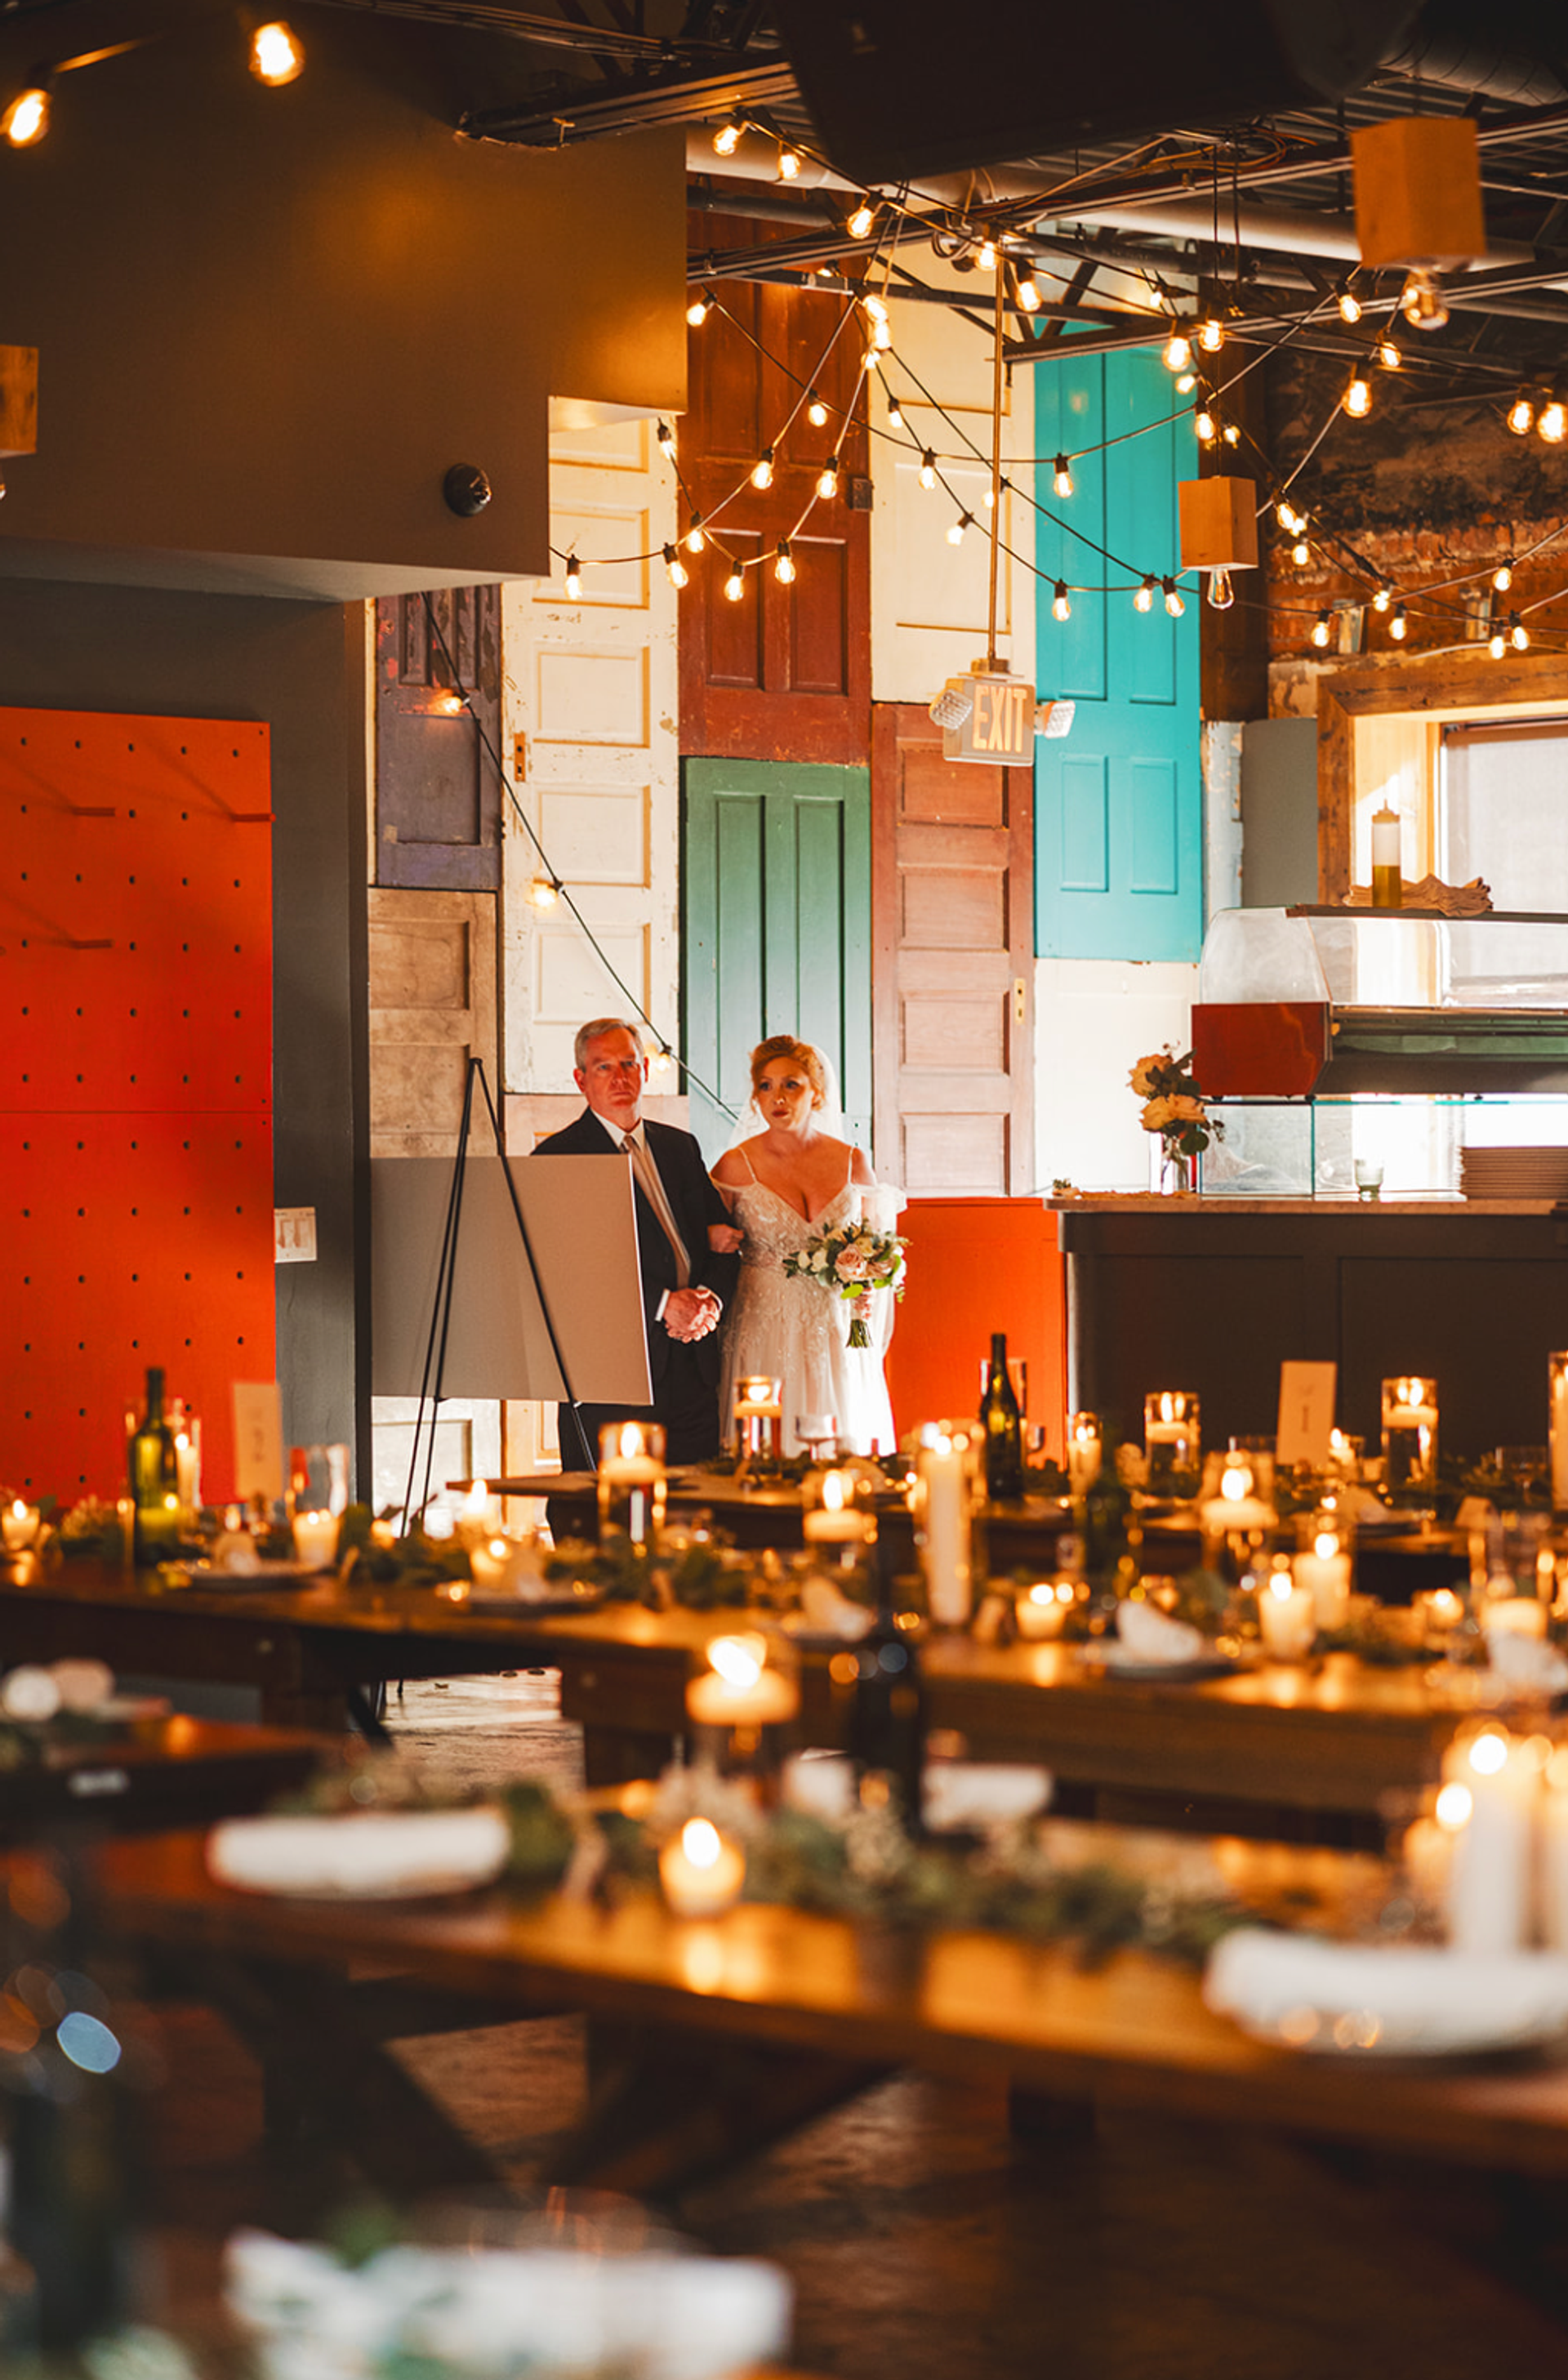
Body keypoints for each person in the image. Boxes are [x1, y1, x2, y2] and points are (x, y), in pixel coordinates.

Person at [534, 1018, 739, 1468]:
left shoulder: (681, 1147)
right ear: (581, 1080)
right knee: (609, 1504)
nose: (620, 1078)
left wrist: (709, 1302)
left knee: (696, 1498)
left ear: (645, 1070)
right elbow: (566, 1274)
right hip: (612, 1376)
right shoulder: (557, 1157)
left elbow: (727, 1245)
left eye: (629, 1064)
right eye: (604, 1067)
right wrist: (663, 1304)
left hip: (693, 1365)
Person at [710, 1036, 898, 1455]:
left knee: (842, 1439)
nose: (777, 1097)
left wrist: (866, 1283)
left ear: (817, 1092)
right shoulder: (734, 1165)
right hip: (763, 1323)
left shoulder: (852, 1162)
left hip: (837, 1324)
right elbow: (701, 1244)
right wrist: (712, 1238)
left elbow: (877, 1248)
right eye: (766, 1086)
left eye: (791, 1085)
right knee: (767, 1444)